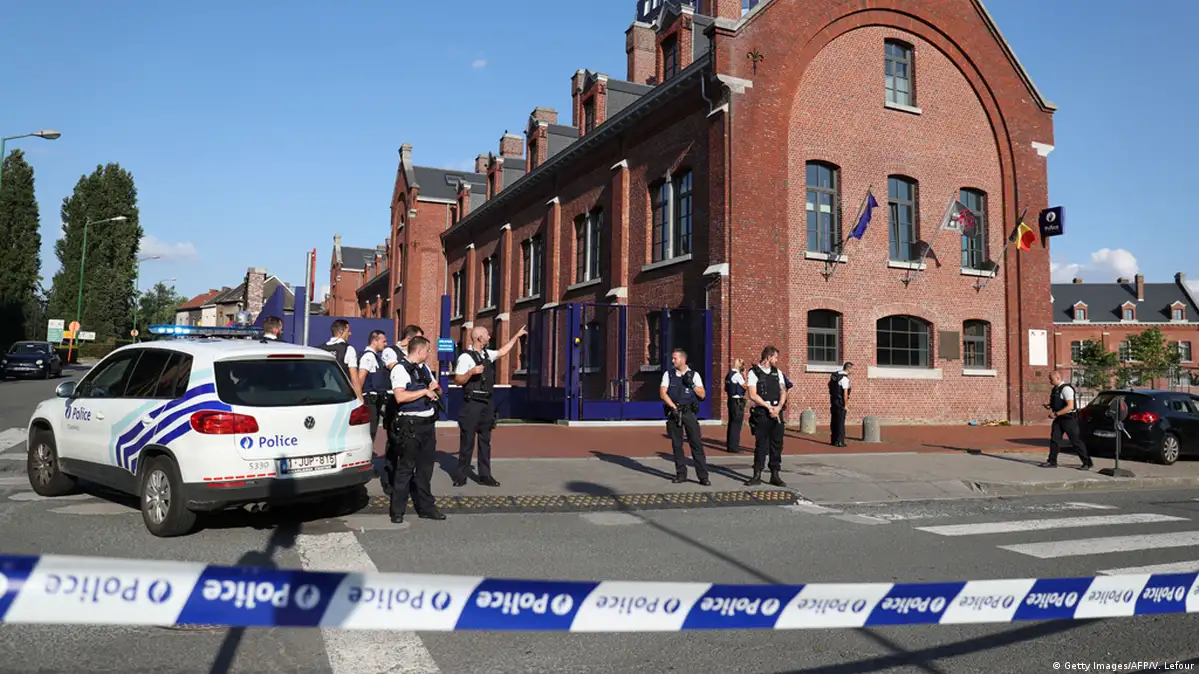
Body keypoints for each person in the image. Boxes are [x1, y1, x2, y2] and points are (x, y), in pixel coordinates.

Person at [453, 324, 526, 487]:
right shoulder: (465, 357)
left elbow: (502, 352)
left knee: (485, 441)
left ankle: (485, 476)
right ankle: (461, 476)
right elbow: (458, 380)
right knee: (467, 442)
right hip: (472, 403)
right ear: (480, 338)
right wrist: (471, 372)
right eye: (487, 335)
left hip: (487, 403)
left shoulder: (487, 354)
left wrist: (516, 336)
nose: (489, 337)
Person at [386, 336, 446, 524]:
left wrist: (436, 388)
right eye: (428, 350)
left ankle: (427, 508)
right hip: (410, 426)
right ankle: (397, 511)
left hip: (427, 425)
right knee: (405, 469)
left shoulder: (424, 369)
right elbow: (400, 397)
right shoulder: (400, 369)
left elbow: (438, 391)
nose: (429, 353)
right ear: (419, 351)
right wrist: (423, 391)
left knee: (425, 470)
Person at [659, 348, 710, 485]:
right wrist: (673, 407)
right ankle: (681, 474)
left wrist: (691, 384)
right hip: (674, 412)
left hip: (689, 412)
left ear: (683, 359)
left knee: (696, 443)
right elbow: (663, 393)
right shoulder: (668, 374)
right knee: (677, 445)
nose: (672, 361)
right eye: (673, 358)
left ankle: (703, 476)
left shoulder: (694, 375)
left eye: (675, 358)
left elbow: (702, 395)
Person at [745, 346, 788, 487]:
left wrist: (779, 407)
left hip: (777, 412)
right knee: (761, 444)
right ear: (768, 357)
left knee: (777, 444)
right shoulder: (754, 372)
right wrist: (768, 407)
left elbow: (783, 391)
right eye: (775, 357)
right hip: (762, 413)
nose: (777, 360)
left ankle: (775, 474)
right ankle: (757, 474)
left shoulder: (778, 373)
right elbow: (752, 394)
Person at [357, 330, 392, 491]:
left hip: (375, 401)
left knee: (372, 434)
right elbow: (360, 378)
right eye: (383, 341)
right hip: (369, 401)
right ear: (374, 341)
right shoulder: (368, 357)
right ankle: (365, 466)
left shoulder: (375, 358)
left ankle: (368, 463)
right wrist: (360, 401)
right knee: (368, 434)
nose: (385, 344)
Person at [1043, 371, 1093, 470]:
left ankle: (1087, 462)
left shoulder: (1066, 389)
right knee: (1054, 439)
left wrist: (1055, 414)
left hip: (1069, 419)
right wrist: (1049, 405)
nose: (1050, 381)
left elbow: (1070, 406)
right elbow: (1059, 402)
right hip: (1059, 419)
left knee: (1075, 441)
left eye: (1051, 379)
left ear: (1058, 378)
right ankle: (1052, 461)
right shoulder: (1056, 389)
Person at [319, 320, 362, 400]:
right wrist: (360, 399)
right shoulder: (348, 349)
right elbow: (354, 379)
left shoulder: (320, 349)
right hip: (341, 397)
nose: (350, 334)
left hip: (321, 396)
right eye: (348, 331)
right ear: (341, 332)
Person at [724, 359, 747, 453]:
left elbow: (726, 388)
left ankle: (730, 445)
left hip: (731, 400)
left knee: (731, 423)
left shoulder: (729, 374)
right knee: (736, 424)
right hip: (737, 401)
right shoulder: (737, 375)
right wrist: (744, 376)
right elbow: (745, 386)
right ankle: (734, 447)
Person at [829, 362, 853, 447]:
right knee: (840, 422)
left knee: (834, 421)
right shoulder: (844, 379)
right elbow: (845, 393)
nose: (852, 371)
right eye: (852, 369)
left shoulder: (835, 375)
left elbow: (829, 385)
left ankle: (833, 440)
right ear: (849, 369)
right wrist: (846, 405)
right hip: (840, 402)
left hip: (833, 400)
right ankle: (840, 441)